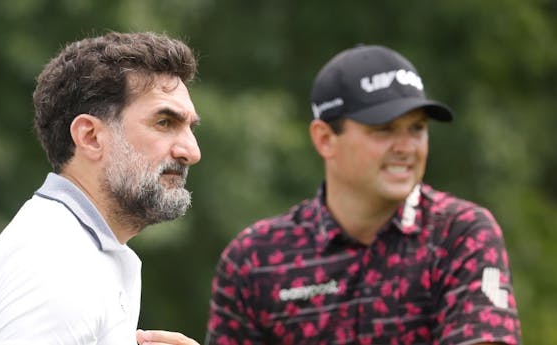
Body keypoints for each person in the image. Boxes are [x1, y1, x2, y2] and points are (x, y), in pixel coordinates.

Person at [205, 45, 522, 344]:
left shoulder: (459, 234)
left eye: (417, 128)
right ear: (325, 139)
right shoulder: (254, 260)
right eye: (383, 129)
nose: (406, 147)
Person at [0, 31, 202, 345]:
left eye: (189, 128)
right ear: (90, 136)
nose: (191, 152)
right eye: (164, 122)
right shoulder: (56, 260)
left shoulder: (76, 248)